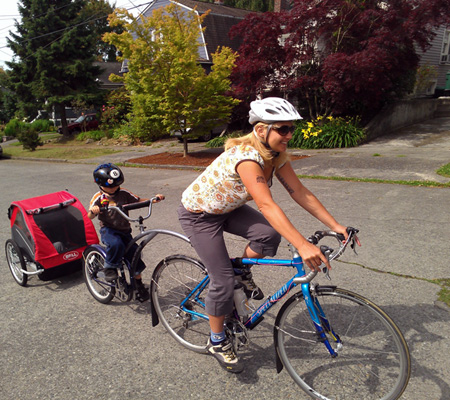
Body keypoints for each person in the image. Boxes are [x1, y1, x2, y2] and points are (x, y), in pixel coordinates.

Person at [178, 97, 349, 373]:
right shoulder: (246, 158)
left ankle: (239, 270)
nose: (289, 135)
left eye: (292, 129)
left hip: (228, 208)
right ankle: (217, 339)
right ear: (261, 130)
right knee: (221, 281)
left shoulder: (276, 155)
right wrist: (302, 245)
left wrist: (335, 225)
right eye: (283, 129)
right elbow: (266, 204)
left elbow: (300, 192)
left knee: (268, 235)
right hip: (199, 215)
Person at [88, 163, 165, 302]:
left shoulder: (123, 193)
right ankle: (109, 268)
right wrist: (94, 211)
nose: (114, 188)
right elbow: (90, 215)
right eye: (110, 186)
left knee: (135, 255)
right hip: (109, 230)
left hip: (125, 230)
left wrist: (153, 200)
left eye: (116, 185)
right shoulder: (98, 197)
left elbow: (138, 200)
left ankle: (139, 285)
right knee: (116, 244)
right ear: (100, 184)